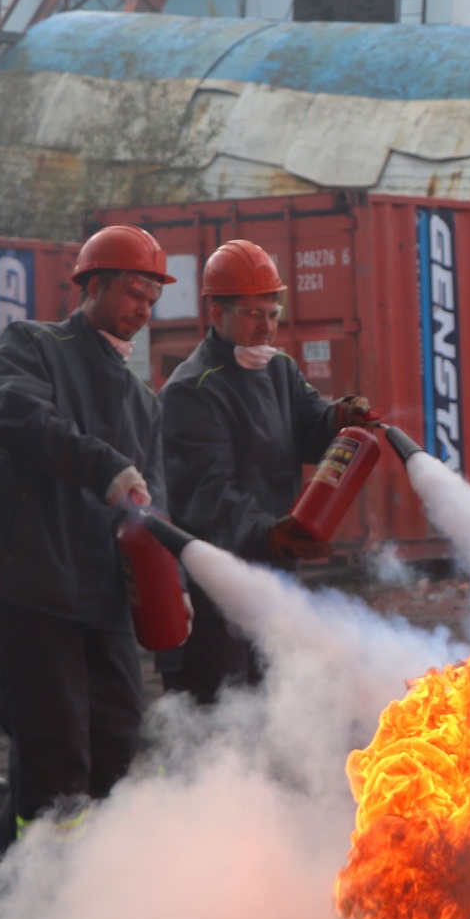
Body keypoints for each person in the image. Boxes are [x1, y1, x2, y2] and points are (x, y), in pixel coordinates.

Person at [0, 224, 179, 862]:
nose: (142, 308)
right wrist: (102, 465)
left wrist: (174, 590)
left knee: (112, 744)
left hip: (103, 600)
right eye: (133, 292)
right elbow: (15, 414)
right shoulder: (29, 347)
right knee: (56, 759)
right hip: (28, 587)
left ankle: (58, 903)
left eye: (152, 298)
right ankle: (34, 917)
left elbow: (153, 508)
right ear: (92, 284)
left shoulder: (143, 401)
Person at [158, 238, 376, 704]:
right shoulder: (192, 390)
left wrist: (339, 418)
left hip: (275, 577)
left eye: (272, 312)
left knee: (276, 703)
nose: (267, 327)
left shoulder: (280, 370)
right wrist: (269, 533)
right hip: (218, 589)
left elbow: (310, 424)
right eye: (253, 314)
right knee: (222, 711)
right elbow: (206, 496)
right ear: (217, 313)